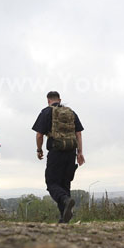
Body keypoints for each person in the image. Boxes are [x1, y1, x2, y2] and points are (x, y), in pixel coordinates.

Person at [32, 91, 85, 223]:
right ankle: (64, 218)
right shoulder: (71, 112)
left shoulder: (46, 112)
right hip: (71, 151)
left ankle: (65, 200)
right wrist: (80, 152)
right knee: (65, 184)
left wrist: (39, 149)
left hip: (56, 152)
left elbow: (39, 135)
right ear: (60, 100)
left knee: (52, 183)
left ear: (48, 100)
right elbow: (78, 133)